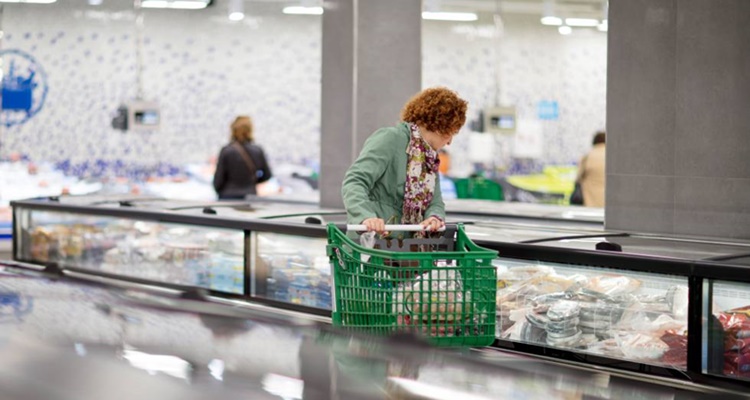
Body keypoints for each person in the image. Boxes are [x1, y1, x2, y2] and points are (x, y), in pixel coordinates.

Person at [342, 86, 468, 236]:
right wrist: (366, 217)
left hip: (408, 251)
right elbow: (355, 181)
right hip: (372, 245)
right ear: (441, 126)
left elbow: (435, 202)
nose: (449, 142)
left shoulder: (429, 159)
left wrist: (434, 218)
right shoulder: (390, 139)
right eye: (451, 133)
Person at [213, 115, 272, 200]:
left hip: (228, 197)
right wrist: (252, 182)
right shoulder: (258, 150)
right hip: (250, 196)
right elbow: (267, 175)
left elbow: (218, 180)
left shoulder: (226, 151)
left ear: (233, 130)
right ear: (250, 130)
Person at [576, 131, 606, 207]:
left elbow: (578, 178)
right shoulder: (613, 157)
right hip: (608, 199)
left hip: (590, 199)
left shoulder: (587, 156)